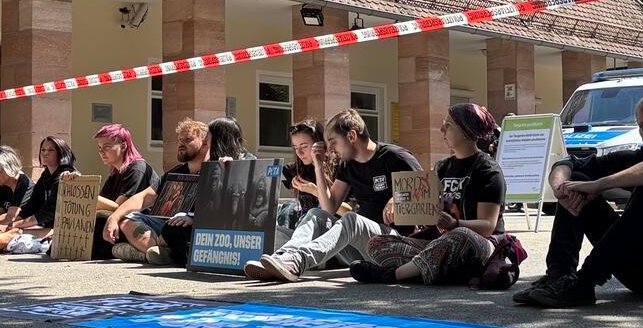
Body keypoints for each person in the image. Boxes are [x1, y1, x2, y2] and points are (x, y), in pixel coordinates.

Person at [514, 92, 643, 307]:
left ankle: (584, 282)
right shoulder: (638, 157)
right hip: (642, 275)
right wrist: (561, 188)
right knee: (576, 181)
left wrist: (600, 184)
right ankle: (558, 277)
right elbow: (571, 163)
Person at [244, 108, 422, 282]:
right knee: (316, 214)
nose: (330, 149)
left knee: (352, 219)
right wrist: (318, 166)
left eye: (333, 142)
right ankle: (284, 258)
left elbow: (426, 191)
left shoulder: (396, 157)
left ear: (352, 136)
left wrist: (397, 198)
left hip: (396, 243)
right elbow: (329, 207)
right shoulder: (348, 165)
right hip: (362, 247)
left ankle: (298, 262)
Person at [355, 103, 507, 286]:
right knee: (377, 243)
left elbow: (488, 226)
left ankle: (392, 275)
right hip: (439, 243)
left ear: (466, 131)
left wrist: (455, 223)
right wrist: (403, 206)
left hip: (478, 244)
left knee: (460, 235)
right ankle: (436, 269)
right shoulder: (442, 167)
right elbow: (430, 212)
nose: (442, 128)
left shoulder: (488, 170)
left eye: (448, 125)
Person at [106, 118, 210, 265]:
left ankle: (149, 252)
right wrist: (114, 218)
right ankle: (157, 251)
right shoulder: (175, 173)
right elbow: (143, 198)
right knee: (126, 217)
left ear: (205, 143)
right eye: (179, 140)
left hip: (190, 227)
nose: (181, 144)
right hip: (165, 227)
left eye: (188, 140)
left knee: (173, 228)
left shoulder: (214, 171)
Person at [90, 124, 155, 258]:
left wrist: (87, 194)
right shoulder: (115, 173)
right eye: (99, 148)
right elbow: (102, 205)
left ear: (124, 146)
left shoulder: (137, 168)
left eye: (106, 147)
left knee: (100, 221)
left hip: (141, 224)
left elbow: (120, 208)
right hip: (122, 221)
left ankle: (134, 250)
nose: (102, 152)